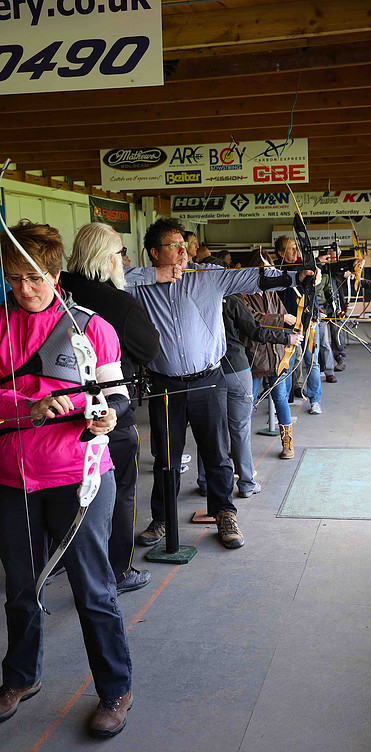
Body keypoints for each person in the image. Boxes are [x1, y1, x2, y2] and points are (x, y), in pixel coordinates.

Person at [0, 220, 132, 738]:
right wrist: (27, 408)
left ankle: (115, 689)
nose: (25, 289)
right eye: (14, 278)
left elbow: (116, 394)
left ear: (56, 275)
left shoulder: (91, 327)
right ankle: (21, 676)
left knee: (93, 589)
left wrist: (107, 416)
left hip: (79, 477)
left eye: (35, 278)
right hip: (14, 479)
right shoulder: (1, 324)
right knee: (21, 587)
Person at [124, 218, 314, 549]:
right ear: (153, 253)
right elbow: (102, 280)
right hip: (165, 385)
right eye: (174, 246)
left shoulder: (207, 278)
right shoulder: (139, 285)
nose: (183, 252)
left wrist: (296, 275)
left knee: (216, 452)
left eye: (184, 245)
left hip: (208, 381)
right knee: (166, 457)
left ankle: (224, 512)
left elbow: (254, 278)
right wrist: (154, 276)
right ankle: (163, 518)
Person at [61, 222, 160, 596]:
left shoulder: (59, 288)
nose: (125, 259)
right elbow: (149, 349)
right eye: (120, 253)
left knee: (67, 490)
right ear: (108, 259)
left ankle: (65, 561)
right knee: (118, 493)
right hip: (110, 410)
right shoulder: (118, 302)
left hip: (60, 411)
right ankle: (118, 570)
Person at [198, 286, 303, 494]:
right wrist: (286, 337)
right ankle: (246, 483)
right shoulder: (232, 300)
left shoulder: (196, 299)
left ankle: (206, 483)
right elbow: (255, 329)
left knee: (209, 427)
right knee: (240, 428)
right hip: (236, 368)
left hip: (205, 370)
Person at [239, 249, 302, 459]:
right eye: (264, 270)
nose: (269, 274)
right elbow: (252, 319)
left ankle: (287, 443)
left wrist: (295, 322)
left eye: (270, 270)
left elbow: (283, 314)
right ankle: (241, 447)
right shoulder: (241, 293)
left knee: (280, 398)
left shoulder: (271, 292)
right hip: (254, 355)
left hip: (276, 354)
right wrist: (282, 319)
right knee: (247, 403)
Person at [275, 235, 323, 415]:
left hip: (308, 321)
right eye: (291, 248)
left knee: (312, 362)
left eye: (297, 247)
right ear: (281, 253)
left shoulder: (305, 266)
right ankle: (283, 404)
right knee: (285, 363)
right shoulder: (275, 271)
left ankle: (315, 400)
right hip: (287, 323)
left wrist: (315, 270)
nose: (296, 251)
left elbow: (313, 289)